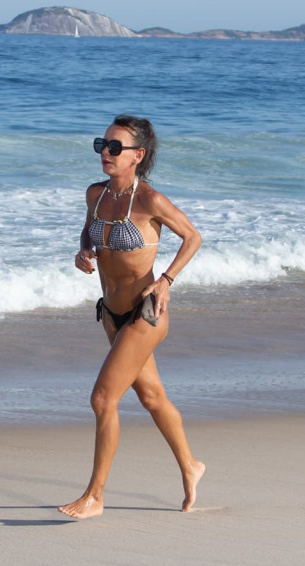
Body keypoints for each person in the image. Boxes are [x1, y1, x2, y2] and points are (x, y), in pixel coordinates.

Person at [60, 115, 205, 519]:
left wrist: (166, 280)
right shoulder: (96, 194)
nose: (106, 153)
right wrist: (84, 252)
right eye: (102, 145)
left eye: (115, 147)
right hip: (111, 314)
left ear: (137, 155)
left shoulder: (150, 201)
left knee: (103, 398)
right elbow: (90, 231)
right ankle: (191, 465)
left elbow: (193, 237)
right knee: (152, 396)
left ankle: (95, 496)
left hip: (146, 314)